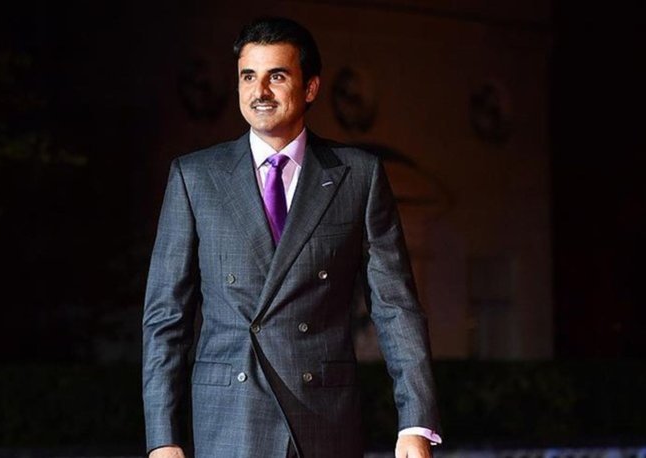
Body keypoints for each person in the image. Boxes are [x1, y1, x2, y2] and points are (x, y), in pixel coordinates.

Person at [142, 16, 441, 458]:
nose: (259, 91)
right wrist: (163, 439)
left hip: (323, 417)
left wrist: (415, 422)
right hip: (230, 418)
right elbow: (166, 319)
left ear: (311, 87)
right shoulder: (195, 177)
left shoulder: (358, 175)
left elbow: (395, 307)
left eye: (277, 76)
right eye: (248, 76)